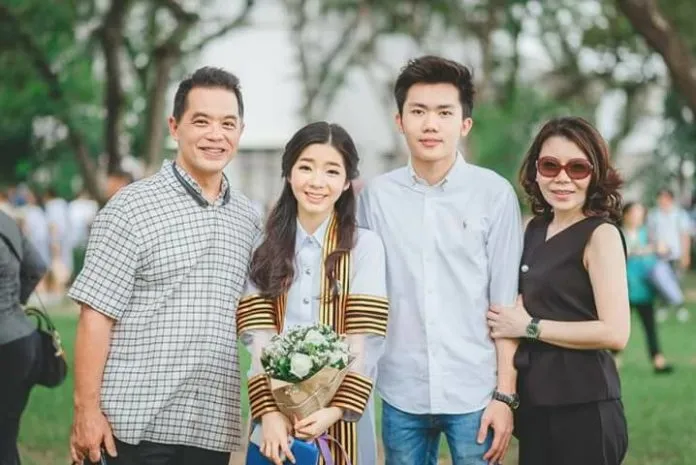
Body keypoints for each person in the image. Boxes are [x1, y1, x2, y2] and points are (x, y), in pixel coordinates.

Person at [67, 67, 261, 465]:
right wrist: (86, 411)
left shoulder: (248, 218)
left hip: (211, 426)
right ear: (175, 127)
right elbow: (95, 316)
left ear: (240, 132)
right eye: (201, 121)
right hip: (132, 425)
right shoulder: (130, 208)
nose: (215, 134)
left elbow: (255, 317)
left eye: (227, 124)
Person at [358, 56, 522, 465]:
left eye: (444, 113)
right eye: (418, 112)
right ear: (400, 121)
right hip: (401, 389)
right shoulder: (376, 198)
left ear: (464, 124)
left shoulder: (494, 194)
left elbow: (505, 305)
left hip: (475, 389)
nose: (430, 124)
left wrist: (504, 395)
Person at [237, 122, 388, 465]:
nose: (317, 182)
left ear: (347, 181)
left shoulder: (364, 247)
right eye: (306, 167)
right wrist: (269, 413)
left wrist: (333, 411)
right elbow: (257, 338)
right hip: (274, 415)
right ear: (288, 173)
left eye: (332, 171)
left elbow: (364, 340)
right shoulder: (263, 247)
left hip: (342, 417)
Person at [487, 116, 629, 465]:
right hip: (536, 407)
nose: (562, 178)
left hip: (585, 409)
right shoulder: (534, 229)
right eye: (550, 166)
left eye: (577, 168)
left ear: (595, 174)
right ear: (536, 171)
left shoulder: (601, 235)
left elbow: (615, 332)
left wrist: (530, 327)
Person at [0, 210, 47, 465]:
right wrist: (15, 302)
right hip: (23, 341)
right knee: (6, 438)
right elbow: (37, 266)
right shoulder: (5, 220)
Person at [620, 201, 674, 374]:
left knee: (650, 326)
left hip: (645, 289)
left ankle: (658, 360)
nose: (637, 217)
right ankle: (613, 360)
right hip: (624, 288)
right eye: (634, 213)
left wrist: (660, 249)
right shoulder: (618, 234)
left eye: (640, 214)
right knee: (620, 327)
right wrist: (645, 250)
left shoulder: (648, 234)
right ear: (626, 215)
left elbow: (665, 250)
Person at [647, 188, 691, 322]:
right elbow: (651, 235)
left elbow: (685, 235)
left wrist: (685, 254)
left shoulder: (680, 214)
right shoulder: (653, 215)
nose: (662, 201)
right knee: (662, 281)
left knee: (675, 281)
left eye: (665, 198)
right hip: (659, 254)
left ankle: (678, 308)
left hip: (676, 254)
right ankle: (670, 305)